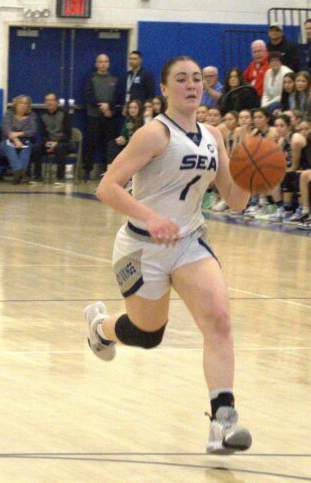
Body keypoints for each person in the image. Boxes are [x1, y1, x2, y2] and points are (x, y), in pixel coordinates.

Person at [85, 55, 253, 455]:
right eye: (181, 79)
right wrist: (151, 217)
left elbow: (237, 201)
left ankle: (223, 423)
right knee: (147, 335)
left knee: (219, 321)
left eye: (197, 78)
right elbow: (107, 187)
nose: (191, 85)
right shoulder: (154, 134)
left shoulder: (214, 136)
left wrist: (252, 167)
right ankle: (100, 327)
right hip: (143, 245)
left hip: (189, 240)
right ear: (164, 89)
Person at [82, 53, 120, 181]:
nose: (103, 64)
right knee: (90, 145)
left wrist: (109, 107)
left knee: (109, 145)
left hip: (109, 117)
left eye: (106, 61)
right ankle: (87, 172)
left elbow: (117, 96)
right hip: (93, 117)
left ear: (108, 63)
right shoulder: (90, 78)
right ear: (96, 64)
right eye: (100, 61)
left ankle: (108, 172)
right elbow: (88, 95)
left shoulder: (115, 78)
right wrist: (101, 106)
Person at [32, 92, 74, 186]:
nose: (50, 102)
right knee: (36, 148)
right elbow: (42, 134)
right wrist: (49, 143)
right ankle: (38, 177)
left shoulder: (64, 114)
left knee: (59, 148)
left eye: (52, 100)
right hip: (49, 143)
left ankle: (60, 178)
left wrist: (56, 142)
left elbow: (68, 134)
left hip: (65, 143)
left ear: (56, 102)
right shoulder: (42, 116)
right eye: (47, 100)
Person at [0, 94, 36, 184]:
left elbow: (32, 131)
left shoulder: (32, 116)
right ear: (16, 104)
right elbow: (6, 129)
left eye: (26, 103)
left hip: (25, 141)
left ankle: (19, 174)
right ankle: (19, 170)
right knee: (9, 147)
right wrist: (15, 139)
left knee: (26, 147)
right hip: (7, 141)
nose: (23, 105)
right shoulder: (9, 114)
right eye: (21, 103)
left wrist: (18, 133)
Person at [107, 99, 144, 164]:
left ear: (140, 109)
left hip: (138, 145)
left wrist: (126, 141)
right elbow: (123, 133)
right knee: (112, 144)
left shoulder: (143, 121)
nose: (132, 110)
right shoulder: (129, 120)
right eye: (130, 108)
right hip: (128, 143)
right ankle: (110, 167)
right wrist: (122, 138)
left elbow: (140, 139)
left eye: (135, 108)